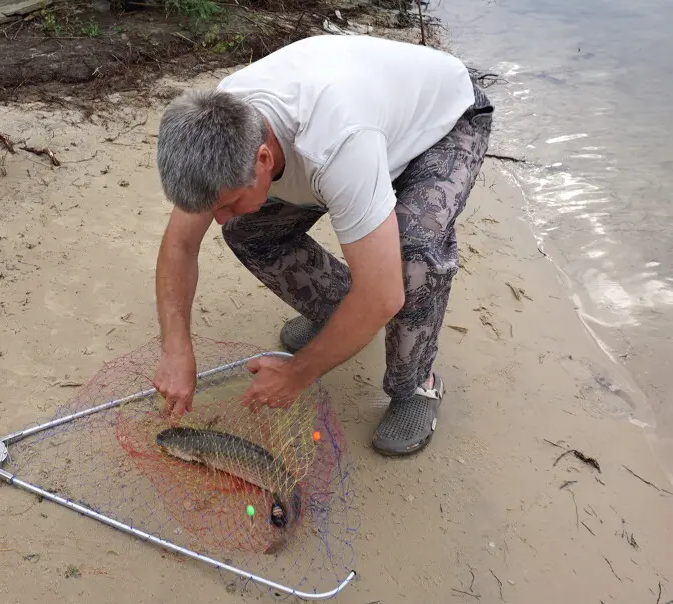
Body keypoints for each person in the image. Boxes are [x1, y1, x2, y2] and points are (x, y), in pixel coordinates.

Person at [151, 34, 493, 456]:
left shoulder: (335, 146)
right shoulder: (218, 128)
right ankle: (340, 318)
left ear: (262, 160)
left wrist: (297, 374)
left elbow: (383, 293)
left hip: (443, 123)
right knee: (247, 230)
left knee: (413, 256)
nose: (217, 216)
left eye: (226, 202)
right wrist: (176, 349)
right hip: (368, 121)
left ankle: (417, 387)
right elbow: (180, 247)